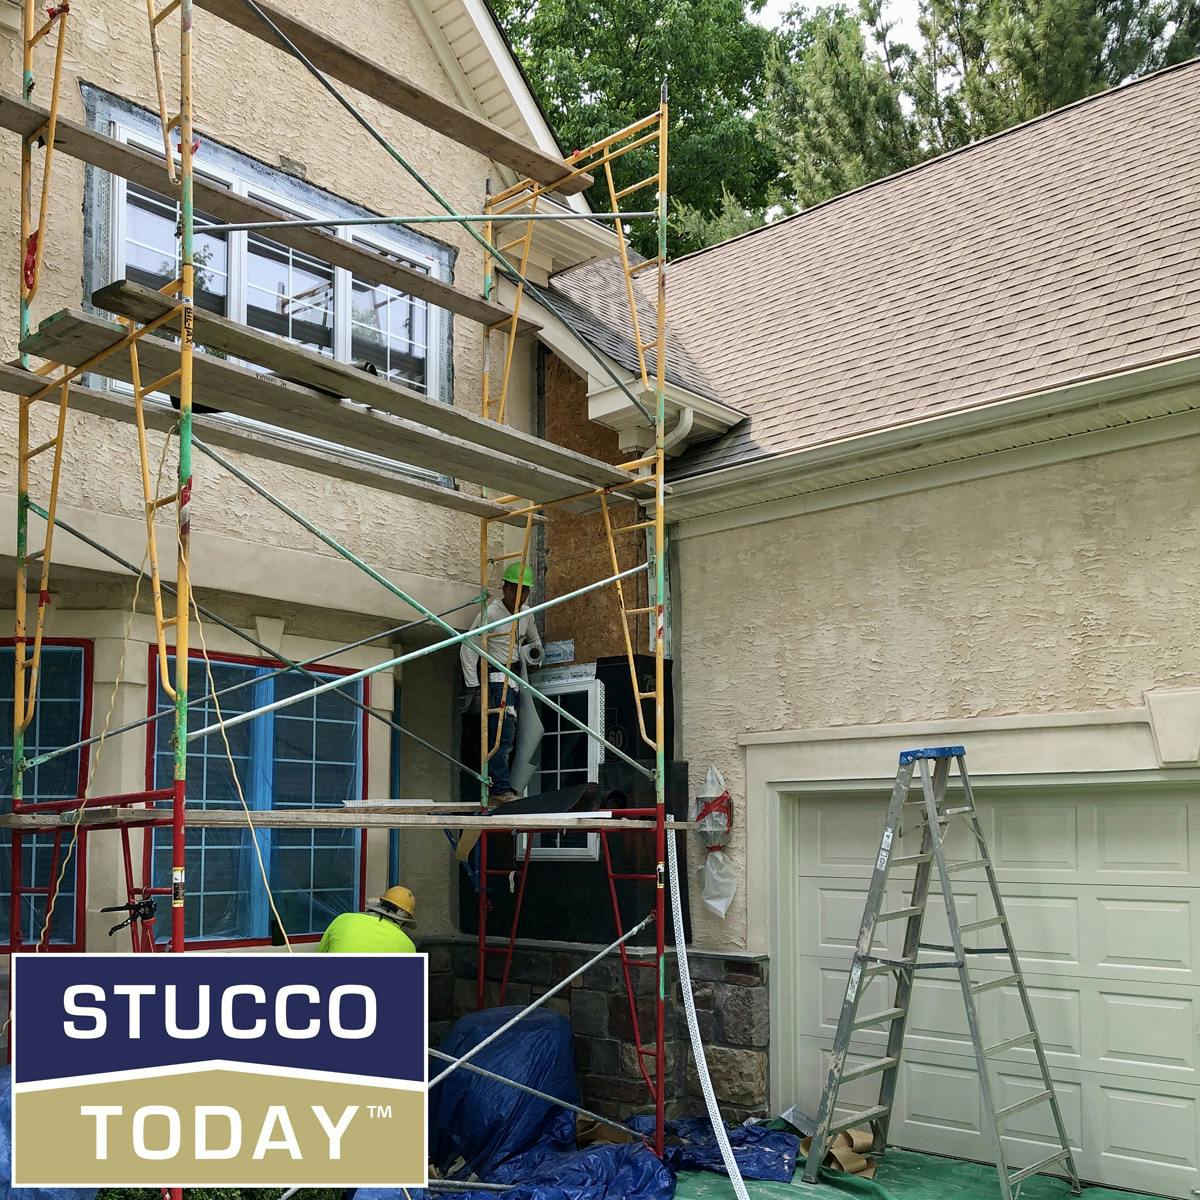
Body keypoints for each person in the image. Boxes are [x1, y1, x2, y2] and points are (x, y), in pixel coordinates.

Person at [459, 561, 544, 803]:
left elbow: (535, 642)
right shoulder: (492, 613)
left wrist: (535, 654)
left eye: (524, 590)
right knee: (500, 735)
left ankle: (504, 785)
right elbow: (468, 647)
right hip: (496, 681)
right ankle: (499, 788)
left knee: (509, 735)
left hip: (515, 680)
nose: (519, 595)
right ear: (504, 588)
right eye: (514, 589)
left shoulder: (527, 614)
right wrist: (474, 686)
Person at [316, 886, 417, 953]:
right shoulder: (408, 946)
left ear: (379, 904)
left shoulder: (344, 920)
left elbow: (320, 956)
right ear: (403, 920)